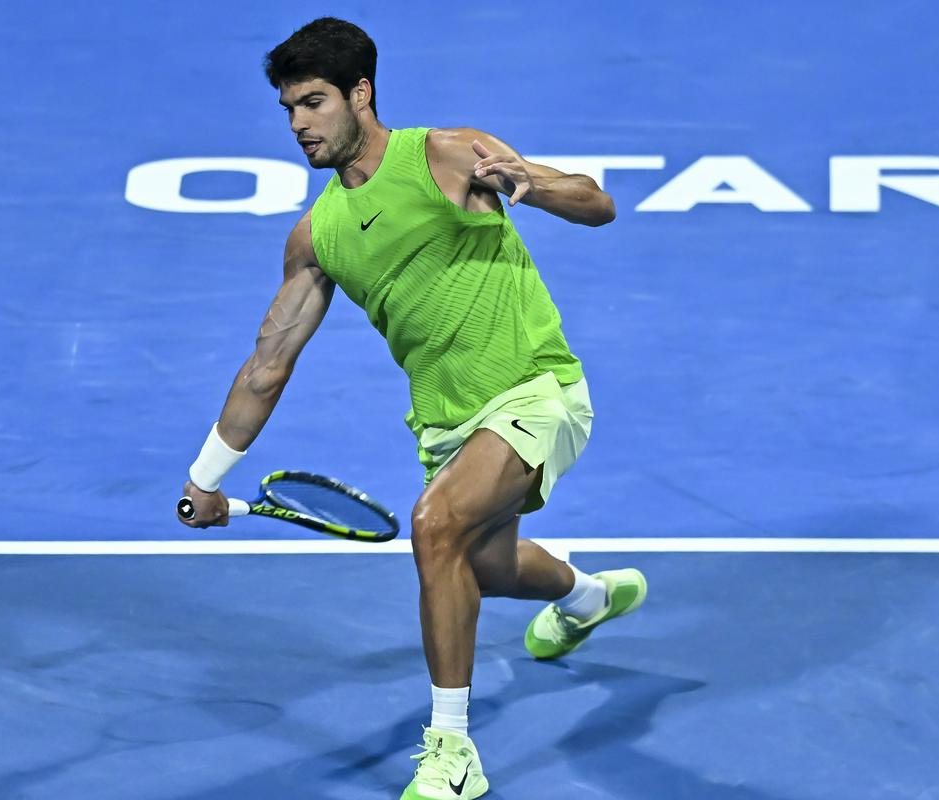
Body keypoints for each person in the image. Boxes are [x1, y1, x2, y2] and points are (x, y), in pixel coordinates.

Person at [178, 17, 647, 800]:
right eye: (289, 109)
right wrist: (205, 478)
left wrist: (535, 186)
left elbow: (597, 204)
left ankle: (452, 753)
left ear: (360, 94)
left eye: (314, 103)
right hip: (446, 425)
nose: (298, 125)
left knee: (435, 527)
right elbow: (267, 366)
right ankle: (589, 598)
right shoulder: (318, 236)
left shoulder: (448, 156)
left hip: (537, 390)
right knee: (484, 565)